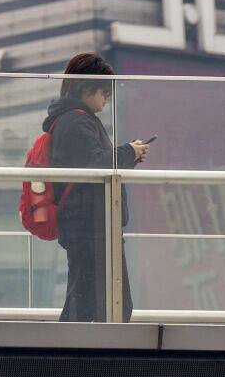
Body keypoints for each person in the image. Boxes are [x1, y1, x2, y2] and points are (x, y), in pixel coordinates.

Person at [45, 53, 149, 321]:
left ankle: (71, 356)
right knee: (100, 307)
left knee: (95, 304)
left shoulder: (72, 120)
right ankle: (64, 357)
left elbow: (92, 165)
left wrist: (129, 156)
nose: (106, 98)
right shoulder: (77, 121)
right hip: (90, 226)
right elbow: (95, 164)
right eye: (104, 91)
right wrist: (129, 152)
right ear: (85, 87)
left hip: (91, 224)